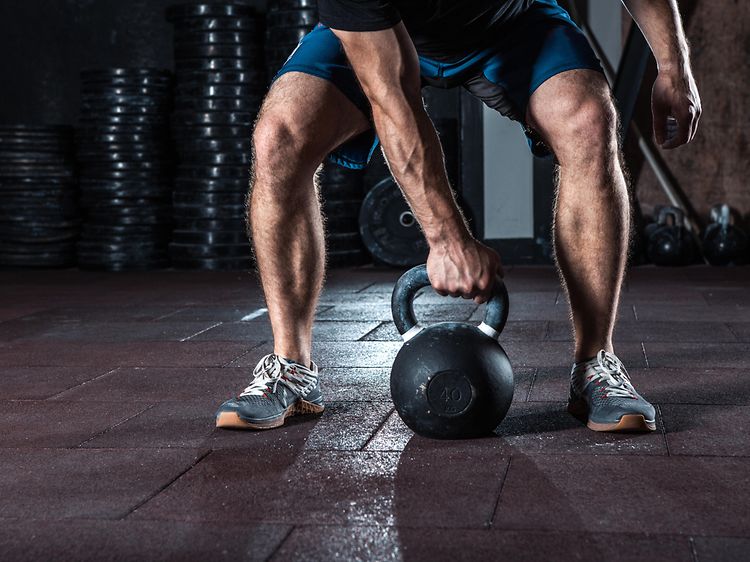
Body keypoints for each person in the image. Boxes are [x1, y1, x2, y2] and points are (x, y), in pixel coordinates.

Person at [215, 0, 701, 432]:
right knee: (279, 136)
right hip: (387, 31)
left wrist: (674, 64)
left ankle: (596, 363)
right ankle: (291, 368)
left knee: (590, 120)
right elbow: (392, 97)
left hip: (511, 17)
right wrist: (447, 240)